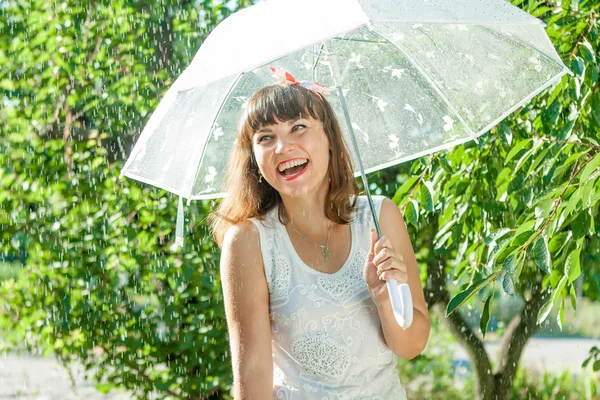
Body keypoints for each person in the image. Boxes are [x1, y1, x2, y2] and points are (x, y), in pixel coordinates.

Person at [209, 69, 430, 399]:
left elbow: (412, 346)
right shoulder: (247, 242)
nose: (283, 146)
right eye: (265, 137)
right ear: (254, 158)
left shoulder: (380, 216)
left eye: (298, 127)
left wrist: (385, 300)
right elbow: (252, 373)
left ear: (329, 138)